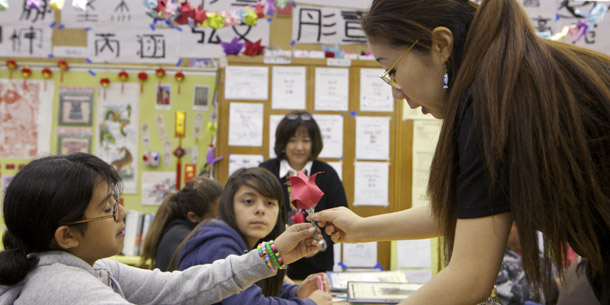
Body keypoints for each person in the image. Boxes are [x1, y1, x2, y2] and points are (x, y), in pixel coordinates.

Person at [311, 0, 610, 304]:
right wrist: (361, 228)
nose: (397, 93)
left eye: (393, 69)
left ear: (441, 44)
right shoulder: (509, 78)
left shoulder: (491, 101)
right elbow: (474, 208)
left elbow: (470, 279)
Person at [0, 153, 322, 304]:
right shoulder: (68, 289)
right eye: (108, 208)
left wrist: (272, 255)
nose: (122, 211)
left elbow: (182, 286)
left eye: (270, 204)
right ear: (66, 236)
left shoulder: (97, 269)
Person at [172, 167, 332, 305]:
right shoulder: (218, 244)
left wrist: (295, 292)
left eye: (270, 203)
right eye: (249, 201)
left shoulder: (248, 241)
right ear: (229, 205)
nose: (260, 210)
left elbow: (253, 286)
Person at [260, 110, 348, 280]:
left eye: (306, 140)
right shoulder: (266, 172)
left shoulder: (327, 174)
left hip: (317, 265)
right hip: (273, 267)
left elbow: (342, 218)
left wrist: (320, 245)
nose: (299, 147)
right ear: (283, 142)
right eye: (292, 140)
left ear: (314, 143)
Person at [139, 176, 223, 271]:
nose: (222, 221)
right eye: (216, 217)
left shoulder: (176, 231)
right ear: (193, 217)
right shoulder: (184, 238)